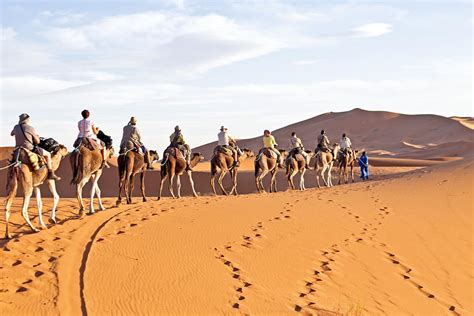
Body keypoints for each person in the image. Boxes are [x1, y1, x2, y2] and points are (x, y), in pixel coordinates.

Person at [11, 113, 61, 180]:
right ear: (27, 120)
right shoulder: (30, 128)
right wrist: (36, 137)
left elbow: (12, 134)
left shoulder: (16, 127)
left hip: (18, 149)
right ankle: (50, 173)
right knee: (48, 154)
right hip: (29, 148)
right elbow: (37, 141)